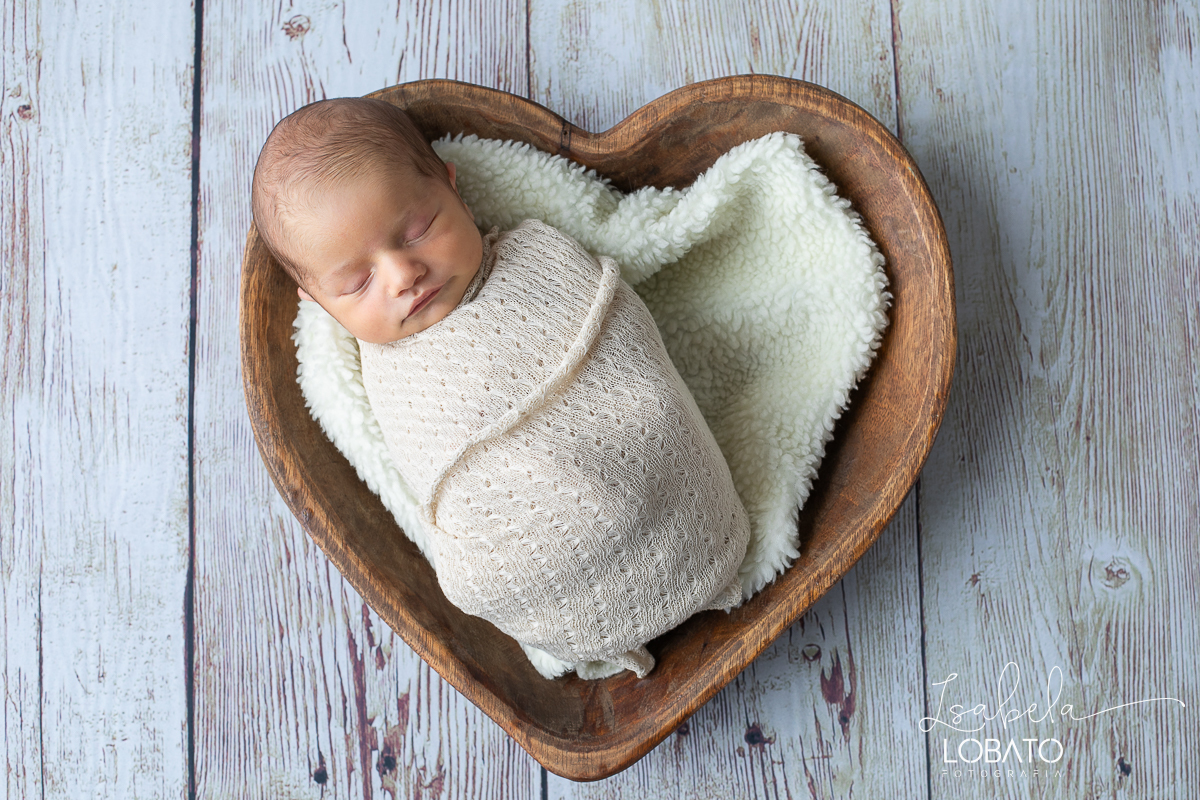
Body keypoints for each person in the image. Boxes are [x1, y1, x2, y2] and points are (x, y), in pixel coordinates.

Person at [252, 97, 750, 677]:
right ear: (317, 301)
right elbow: (424, 480)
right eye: (357, 282)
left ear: (454, 188)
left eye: (418, 230)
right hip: (532, 570)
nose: (402, 276)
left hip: (654, 476)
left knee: (654, 413)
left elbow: (630, 359)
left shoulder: (535, 260)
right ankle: (597, 627)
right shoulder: (382, 377)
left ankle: (700, 550)